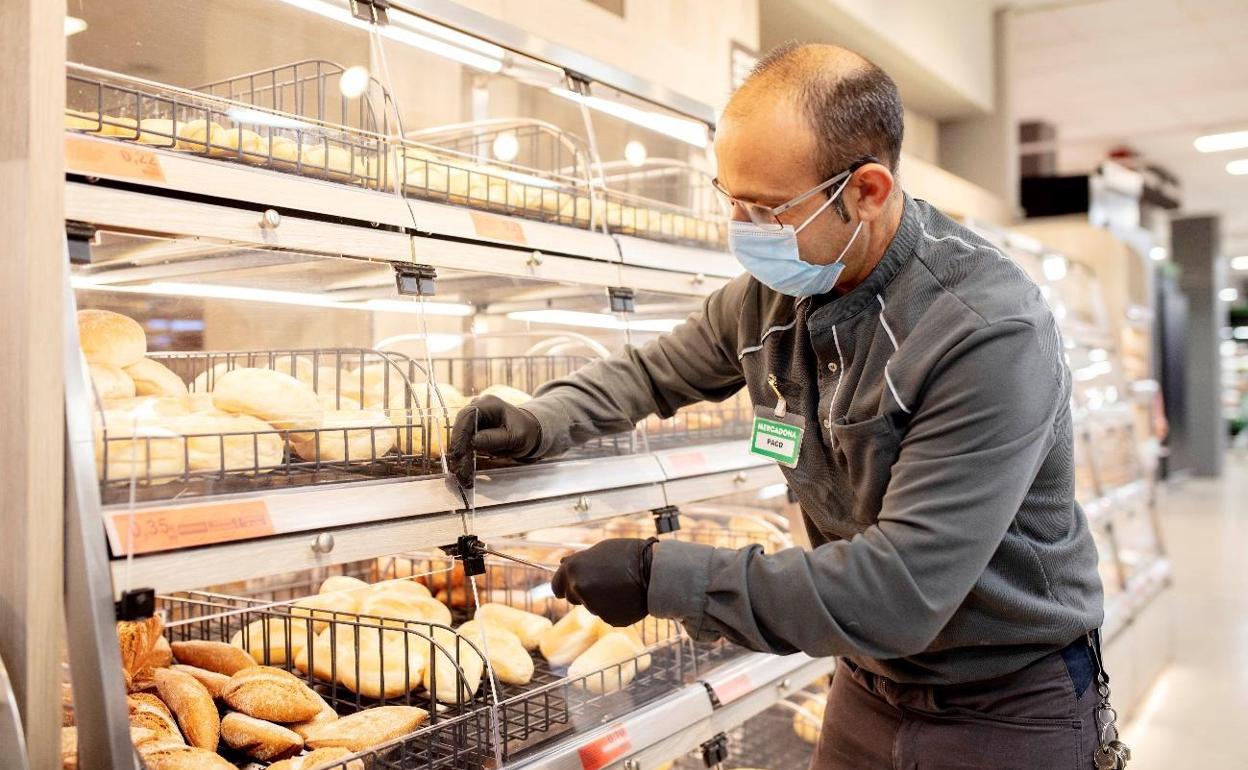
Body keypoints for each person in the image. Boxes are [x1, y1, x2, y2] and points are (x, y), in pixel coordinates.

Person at [448, 43, 1108, 769]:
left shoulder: (983, 330)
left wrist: (657, 573)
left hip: (1005, 706)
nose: (743, 227)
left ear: (868, 189)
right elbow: (653, 371)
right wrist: (542, 418)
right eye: (730, 198)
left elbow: (899, 591)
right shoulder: (775, 296)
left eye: (765, 207)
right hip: (867, 680)